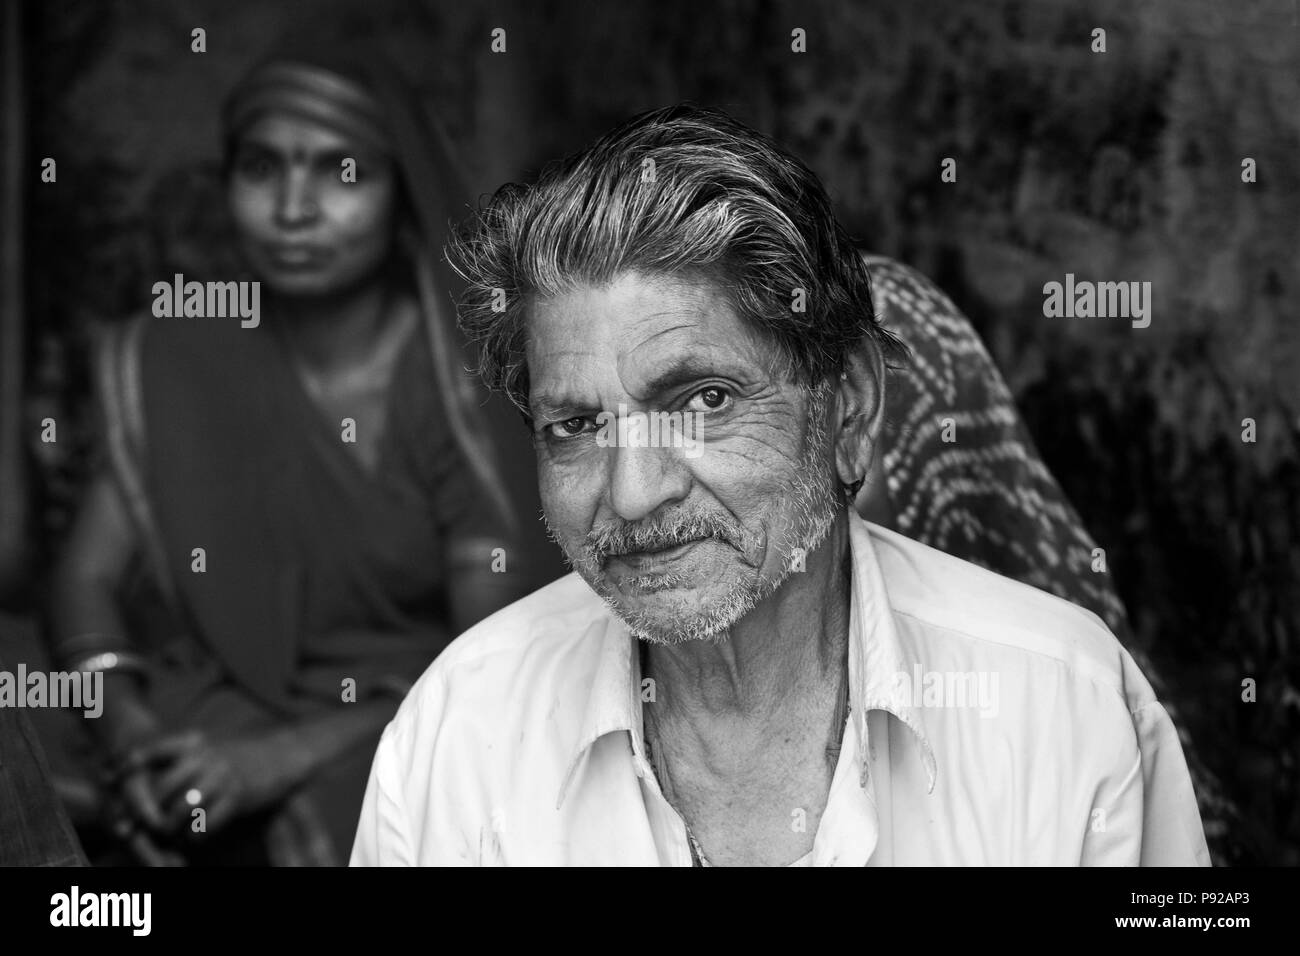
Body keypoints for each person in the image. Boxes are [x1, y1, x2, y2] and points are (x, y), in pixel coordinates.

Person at [351, 104, 1210, 866]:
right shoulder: (458, 736)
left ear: (850, 405)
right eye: (576, 426)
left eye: (703, 401)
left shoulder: (1065, 706)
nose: (634, 494)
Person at [47, 39, 538, 865]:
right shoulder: (185, 348)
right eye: (262, 168)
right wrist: (127, 730)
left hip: (396, 706)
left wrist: (270, 761)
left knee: (399, 795)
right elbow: (85, 577)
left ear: (400, 191)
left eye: (342, 173)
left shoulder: (459, 382)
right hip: (216, 695)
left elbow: (489, 665)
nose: (293, 209)